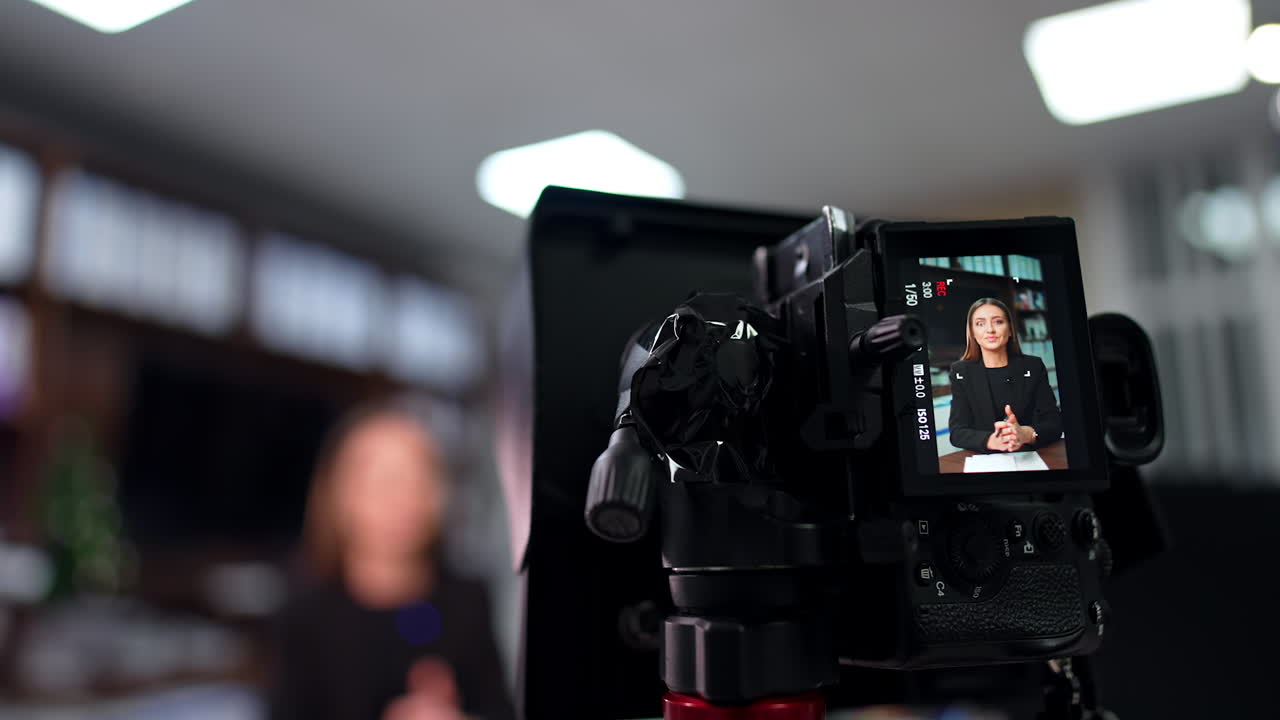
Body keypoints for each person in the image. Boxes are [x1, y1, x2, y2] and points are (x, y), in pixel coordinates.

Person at [270, 402, 514, 720]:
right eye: (381, 480)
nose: (401, 498)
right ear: (339, 493)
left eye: (418, 477)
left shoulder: (468, 599)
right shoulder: (305, 616)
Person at [947, 298, 1063, 455]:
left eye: (998, 322)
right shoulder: (961, 372)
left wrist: (1026, 434)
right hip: (986, 460)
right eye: (980, 324)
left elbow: (1054, 422)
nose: (990, 330)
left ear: (1010, 330)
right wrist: (991, 440)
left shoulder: (1033, 366)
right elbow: (957, 432)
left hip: (1030, 456)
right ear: (972, 333)